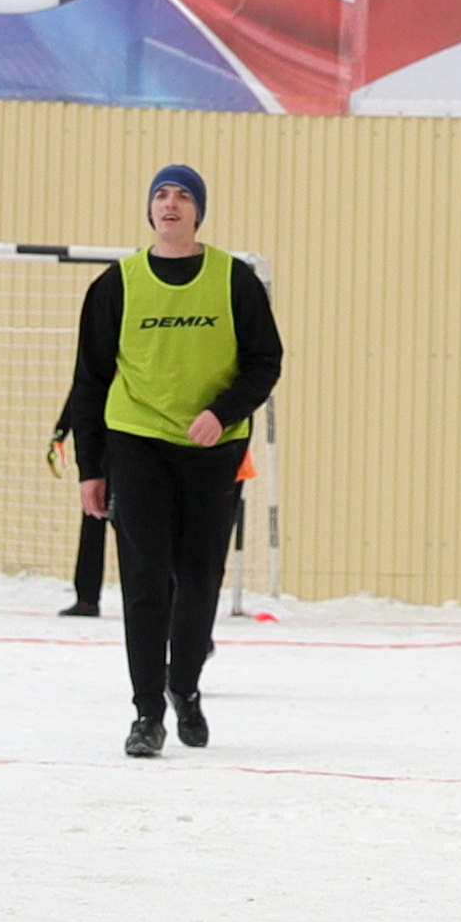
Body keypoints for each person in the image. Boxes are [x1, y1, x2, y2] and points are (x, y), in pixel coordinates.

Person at [63, 164, 283, 758]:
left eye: (183, 195)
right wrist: (91, 467)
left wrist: (224, 410)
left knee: (199, 576)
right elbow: (90, 380)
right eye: (161, 193)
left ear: (198, 212)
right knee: (143, 580)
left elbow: (265, 360)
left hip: (213, 447)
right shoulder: (118, 283)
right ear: (150, 210)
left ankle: (184, 685)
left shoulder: (234, 280)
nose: (171, 202)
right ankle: (146, 713)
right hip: (136, 442)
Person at [48, 414, 107, 616]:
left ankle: (165, 599)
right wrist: (60, 433)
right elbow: (80, 392)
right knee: (92, 519)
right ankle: (87, 599)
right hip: (97, 447)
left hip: (128, 445)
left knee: (135, 531)